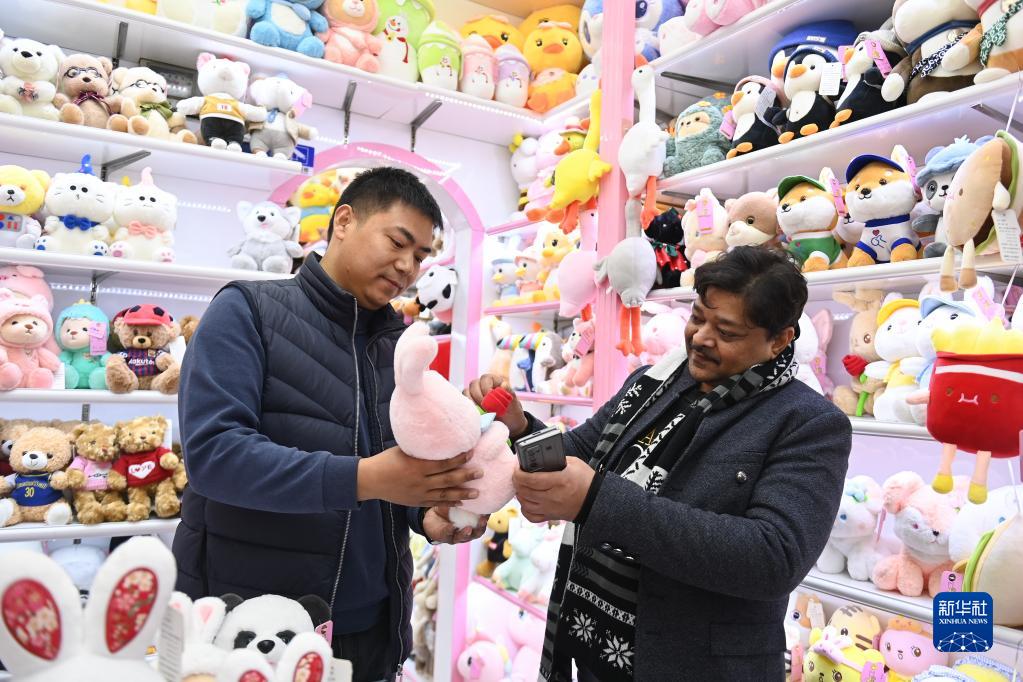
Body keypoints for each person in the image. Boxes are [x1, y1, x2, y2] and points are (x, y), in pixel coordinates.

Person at [467, 246, 852, 681]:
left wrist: (596, 500)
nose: (701, 338)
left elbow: (773, 559)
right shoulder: (653, 383)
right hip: (591, 648)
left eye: (726, 332)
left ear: (779, 339)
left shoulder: (808, 422)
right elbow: (581, 450)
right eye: (698, 318)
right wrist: (519, 425)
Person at [174, 167, 486, 682]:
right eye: (397, 242)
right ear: (343, 221)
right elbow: (214, 455)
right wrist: (364, 478)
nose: (407, 267)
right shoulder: (247, 311)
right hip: (253, 630)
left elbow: (396, 466)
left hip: (371, 629)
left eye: (421, 256)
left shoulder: (397, 346)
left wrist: (425, 514)